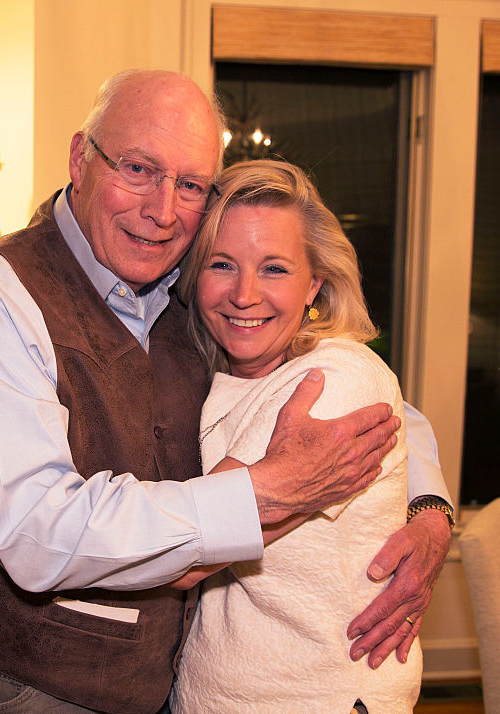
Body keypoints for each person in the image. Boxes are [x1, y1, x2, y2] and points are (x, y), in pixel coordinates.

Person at [0, 68, 453, 714]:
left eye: (190, 185)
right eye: (138, 169)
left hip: (167, 687)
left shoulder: (192, 297)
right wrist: (267, 489)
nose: (162, 211)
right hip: (19, 688)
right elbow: (36, 530)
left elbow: (379, 406)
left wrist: (429, 511)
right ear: (80, 158)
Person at [167, 159, 421, 712]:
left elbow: (187, 554)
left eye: (275, 269)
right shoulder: (223, 377)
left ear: (315, 286)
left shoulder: (333, 378)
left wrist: (8, 513)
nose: (244, 294)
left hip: (316, 696)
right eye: (222, 264)